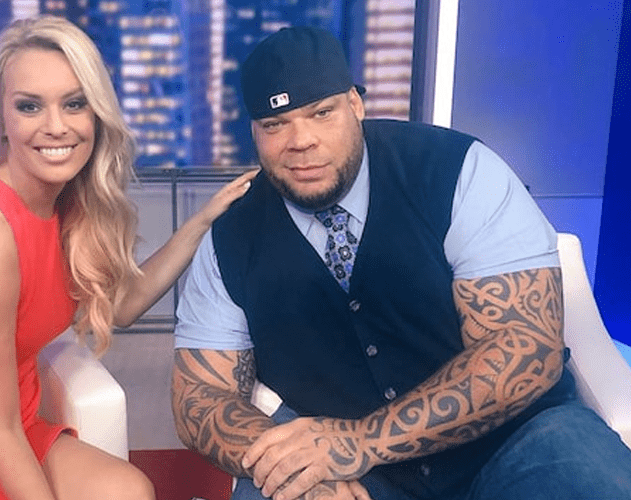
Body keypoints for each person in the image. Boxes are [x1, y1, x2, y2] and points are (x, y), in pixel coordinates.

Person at [171, 26, 631, 500]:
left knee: (593, 480)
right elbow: (199, 399)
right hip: (359, 479)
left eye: (321, 113)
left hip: (518, 442)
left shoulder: (457, 170)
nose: (301, 140)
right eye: (275, 125)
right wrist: (297, 465)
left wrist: (360, 441)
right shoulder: (231, 236)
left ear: (355, 105)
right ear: (254, 132)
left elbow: (524, 348)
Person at [0, 15, 256, 500]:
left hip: (8, 430)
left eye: (74, 104)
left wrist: (201, 222)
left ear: (96, 114)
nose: (56, 127)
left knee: (127, 491)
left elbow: (121, 306)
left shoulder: (66, 207)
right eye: (30, 106)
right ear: (2, 119)